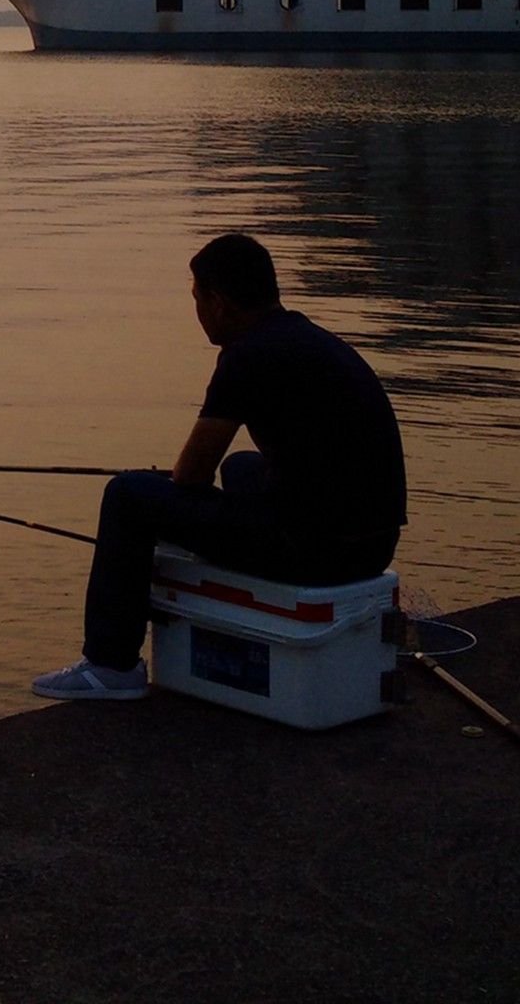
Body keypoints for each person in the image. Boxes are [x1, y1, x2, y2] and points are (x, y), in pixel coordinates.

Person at [32, 231, 406, 700]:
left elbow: (190, 474)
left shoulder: (244, 356)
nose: (197, 312)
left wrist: (159, 486)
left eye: (197, 299)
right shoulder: (308, 338)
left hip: (317, 554)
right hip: (374, 544)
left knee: (127, 497)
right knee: (242, 465)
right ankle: (211, 545)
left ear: (220, 301)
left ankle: (111, 665)